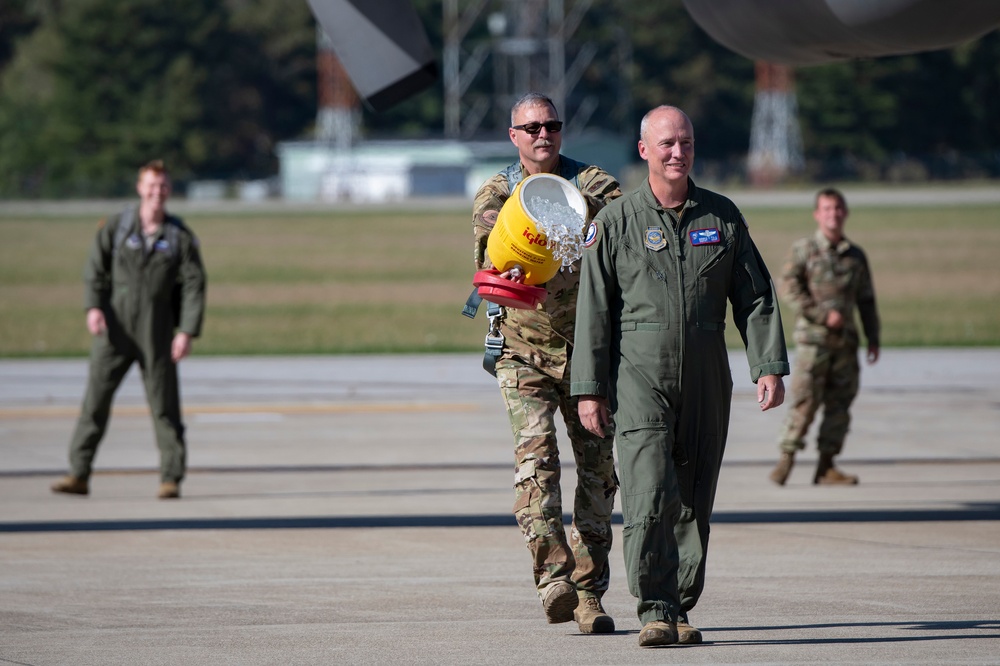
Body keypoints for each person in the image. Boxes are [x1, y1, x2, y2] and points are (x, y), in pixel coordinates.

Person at [571, 105, 789, 647]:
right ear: (643, 150)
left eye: (686, 142)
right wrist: (589, 390)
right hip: (639, 373)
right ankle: (654, 606)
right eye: (666, 143)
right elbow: (594, 312)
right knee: (647, 491)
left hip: (707, 369)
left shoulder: (722, 217)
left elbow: (756, 297)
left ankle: (681, 605)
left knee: (695, 494)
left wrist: (768, 366)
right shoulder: (616, 223)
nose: (677, 152)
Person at [469, 92, 622, 633]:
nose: (543, 134)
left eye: (552, 125)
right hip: (523, 351)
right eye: (530, 127)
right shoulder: (495, 195)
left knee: (600, 474)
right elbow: (488, 272)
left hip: (589, 354)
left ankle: (589, 593)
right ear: (514, 136)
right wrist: (505, 280)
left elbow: (623, 251)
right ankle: (554, 579)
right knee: (537, 465)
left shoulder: (597, 188)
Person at [51, 160, 206, 500]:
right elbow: (95, 268)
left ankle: (171, 478)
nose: (157, 192)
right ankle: (78, 473)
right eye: (151, 185)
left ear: (169, 190)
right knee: (95, 401)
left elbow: (195, 284)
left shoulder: (179, 236)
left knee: (164, 406)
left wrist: (186, 331)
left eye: (163, 186)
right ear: (140, 187)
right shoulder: (118, 227)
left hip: (158, 330)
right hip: (115, 329)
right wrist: (93, 307)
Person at [769, 188, 880, 486]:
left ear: (845, 213)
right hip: (813, 343)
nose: (833, 214)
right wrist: (820, 315)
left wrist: (873, 337)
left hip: (845, 344)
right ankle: (786, 459)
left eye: (838, 208)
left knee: (839, 406)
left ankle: (826, 466)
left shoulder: (855, 256)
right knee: (805, 402)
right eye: (827, 209)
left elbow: (866, 300)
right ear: (818, 214)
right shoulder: (804, 250)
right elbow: (789, 288)